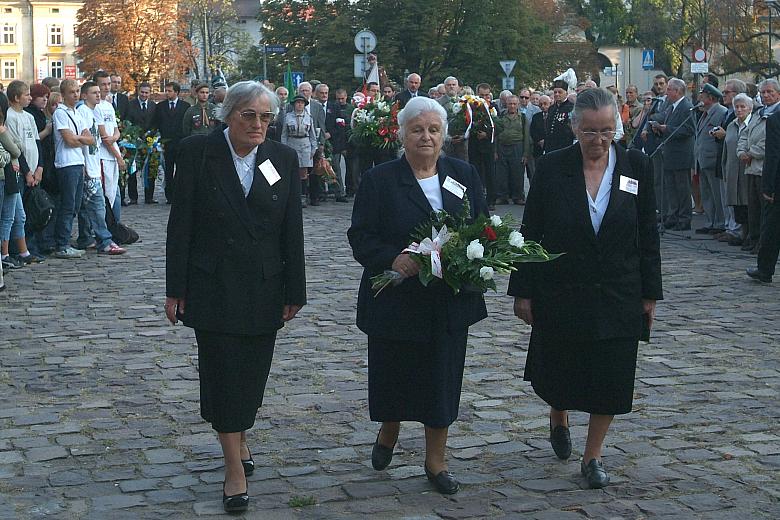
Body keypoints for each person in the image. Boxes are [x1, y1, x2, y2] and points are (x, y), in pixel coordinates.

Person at [508, 88, 662, 489]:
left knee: (610, 374)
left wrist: (650, 294)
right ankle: (558, 412)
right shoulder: (554, 166)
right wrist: (522, 290)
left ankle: (593, 456)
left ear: (617, 128)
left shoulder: (636, 166)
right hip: (562, 287)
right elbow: (531, 231)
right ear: (575, 127)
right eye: (590, 132)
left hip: (618, 289)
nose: (598, 140)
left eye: (607, 131)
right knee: (560, 366)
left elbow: (648, 232)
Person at [166, 81, 306, 512]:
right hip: (212, 284)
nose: (258, 125)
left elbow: (291, 229)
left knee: (251, 373)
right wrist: (175, 289)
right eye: (249, 115)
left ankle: (240, 435)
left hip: (264, 285)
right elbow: (181, 223)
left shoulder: (282, 158)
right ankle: (234, 469)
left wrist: (295, 289)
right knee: (223, 371)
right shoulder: (197, 153)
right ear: (227, 115)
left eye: (266, 117)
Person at [348, 96, 489, 495]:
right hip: (396, 299)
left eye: (433, 130)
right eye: (417, 129)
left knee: (441, 382)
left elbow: (482, 225)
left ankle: (436, 460)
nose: (426, 137)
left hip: (447, 302)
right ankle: (388, 430)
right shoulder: (381, 180)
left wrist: (473, 257)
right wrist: (394, 259)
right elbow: (361, 236)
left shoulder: (463, 174)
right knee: (394, 377)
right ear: (402, 134)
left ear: (444, 135)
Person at [653, 78, 695, 231]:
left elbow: (689, 130)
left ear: (677, 91)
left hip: (681, 154)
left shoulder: (686, 107)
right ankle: (673, 215)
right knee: (671, 187)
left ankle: (684, 218)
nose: (667, 91)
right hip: (669, 153)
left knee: (682, 188)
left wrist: (666, 129)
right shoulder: (671, 107)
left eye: (669, 89)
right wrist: (658, 129)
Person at [693, 83, 728, 236]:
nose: (700, 97)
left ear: (711, 98)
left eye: (703, 95)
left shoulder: (720, 112)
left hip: (713, 159)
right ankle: (710, 221)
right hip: (702, 159)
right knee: (706, 193)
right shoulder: (704, 113)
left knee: (716, 194)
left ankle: (720, 223)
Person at [150, 81, 190, 203]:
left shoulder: (185, 106)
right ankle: (169, 195)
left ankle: (179, 193)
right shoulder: (160, 106)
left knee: (181, 170)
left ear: (176, 92)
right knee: (168, 170)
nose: (167, 93)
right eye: (166, 91)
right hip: (166, 143)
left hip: (181, 142)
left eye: (169, 91)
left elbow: (187, 125)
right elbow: (156, 123)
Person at [721, 94, 753, 247]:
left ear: (750, 108)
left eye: (742, 107)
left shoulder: (753, 123)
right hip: (733, 169)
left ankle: (751, 235)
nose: (739, 110)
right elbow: (726, 150)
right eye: (737, 107)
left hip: (748, 169)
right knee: (737, 204)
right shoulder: (732, 125)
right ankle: (741, 233)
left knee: (749, 203)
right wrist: (724, 168)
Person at [281, 95, 317, 206]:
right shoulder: (288, 117)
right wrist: (284, 148)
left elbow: (313, 135)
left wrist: (313, 148)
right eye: (297, 103)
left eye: (302, 103)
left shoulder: (308, 117)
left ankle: (303, 196)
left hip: (305, 144)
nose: (300, 104)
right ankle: (293, 195)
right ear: (294, 105)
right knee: (292, 171)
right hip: (292, 143)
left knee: (303, 173)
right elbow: (284, 134)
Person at [494, 95, 530, 205]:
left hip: (517, 147)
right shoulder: (500, 116)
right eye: (510, 103)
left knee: (517, 173)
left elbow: (527, 136)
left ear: (518, 104)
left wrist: (525, 154)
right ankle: (502, 196)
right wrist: (495, 151)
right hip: (502, 146)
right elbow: (496, 134)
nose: (512, 106)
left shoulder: (523, 118)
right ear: (506, 104)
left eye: (515, 104)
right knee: (501, 173)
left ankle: (518, 196)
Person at [544, 79, 575, 153]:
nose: (557, 94)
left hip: (565, 146)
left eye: (560, 92)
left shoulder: (571, 108)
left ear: (566, 93)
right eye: (555, 92)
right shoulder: (551, 108)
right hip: (550, 147)